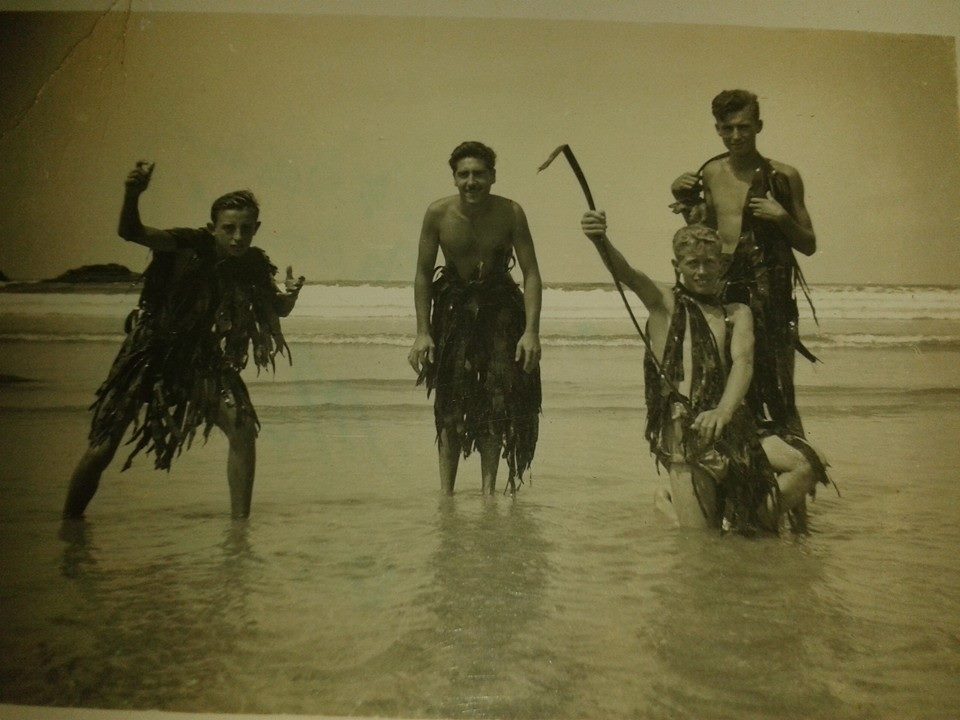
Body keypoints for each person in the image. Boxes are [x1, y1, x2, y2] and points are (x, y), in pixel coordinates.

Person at [62, 161, 304, 520]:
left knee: (241, 428)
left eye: (246, 229)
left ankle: (240, 527)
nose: (237, 237)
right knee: (103, 447)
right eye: (229, 229)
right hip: (149, 351)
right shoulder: (187, 244)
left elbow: (278, 310)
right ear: (213, 228)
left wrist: (292, 293)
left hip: (197, 358)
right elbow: (131, 231)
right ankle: (68, 526)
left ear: (257, 228)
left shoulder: (251, 263)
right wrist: (132, 194)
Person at [580, 211, 825, 532]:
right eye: (692, 263)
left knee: (804, 467)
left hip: (734, 429)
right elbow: (626, 273)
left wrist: (724, 410)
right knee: (700, 543)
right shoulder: (664, 302)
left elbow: (743, 363)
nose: (701, 271)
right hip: (686, 433)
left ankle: (745, 524)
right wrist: (600, 240)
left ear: (721, 265)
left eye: (709, 263)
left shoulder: (737, 313)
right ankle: (672, 505)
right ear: (676, 266)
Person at [670, 89, 817, 440]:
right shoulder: (708, 172)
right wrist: (680, 194)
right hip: (723, 288)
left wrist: (781, 217)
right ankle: (738, 468)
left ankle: (792, 465)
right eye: (727, 128)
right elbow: (698, 232)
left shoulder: (784, 176)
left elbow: (809, 244)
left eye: (744, 127)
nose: (736, 136)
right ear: (717, 129)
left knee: (778, 385)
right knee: (723, 378)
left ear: (759, 126)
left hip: (770, 290)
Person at [408, 141, 542, 496]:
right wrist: (422, 332)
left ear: (493, 177)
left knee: (496, 403)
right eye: (464, 174)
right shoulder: (437, 214)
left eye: (479, 174)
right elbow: (423, 274)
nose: (472, 181)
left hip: (500, 309)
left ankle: (487, 494)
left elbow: (530, 273)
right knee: (449, 407)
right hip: (454, 312)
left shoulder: (511, 212)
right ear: (454, 178)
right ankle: (446, 496)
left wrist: (530, 332)